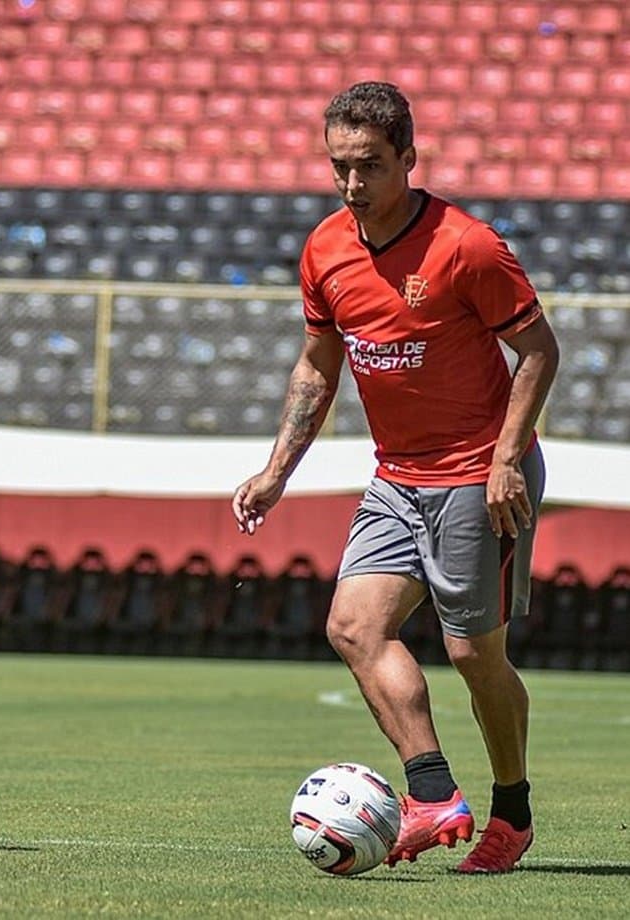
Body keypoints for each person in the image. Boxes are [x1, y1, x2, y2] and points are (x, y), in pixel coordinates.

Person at [231, 82, 559, 874]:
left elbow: (540, 351)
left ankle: (511, 812)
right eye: (339, 166)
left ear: (408, 160)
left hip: (480, 475)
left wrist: (507, 459)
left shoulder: (467, 246)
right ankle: (434, 793)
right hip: (396, 478)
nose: (352, 184)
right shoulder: (325, 250)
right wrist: (277, 470)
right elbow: (317, 368)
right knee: (352, 626)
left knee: (474, 656)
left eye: (370, 166)